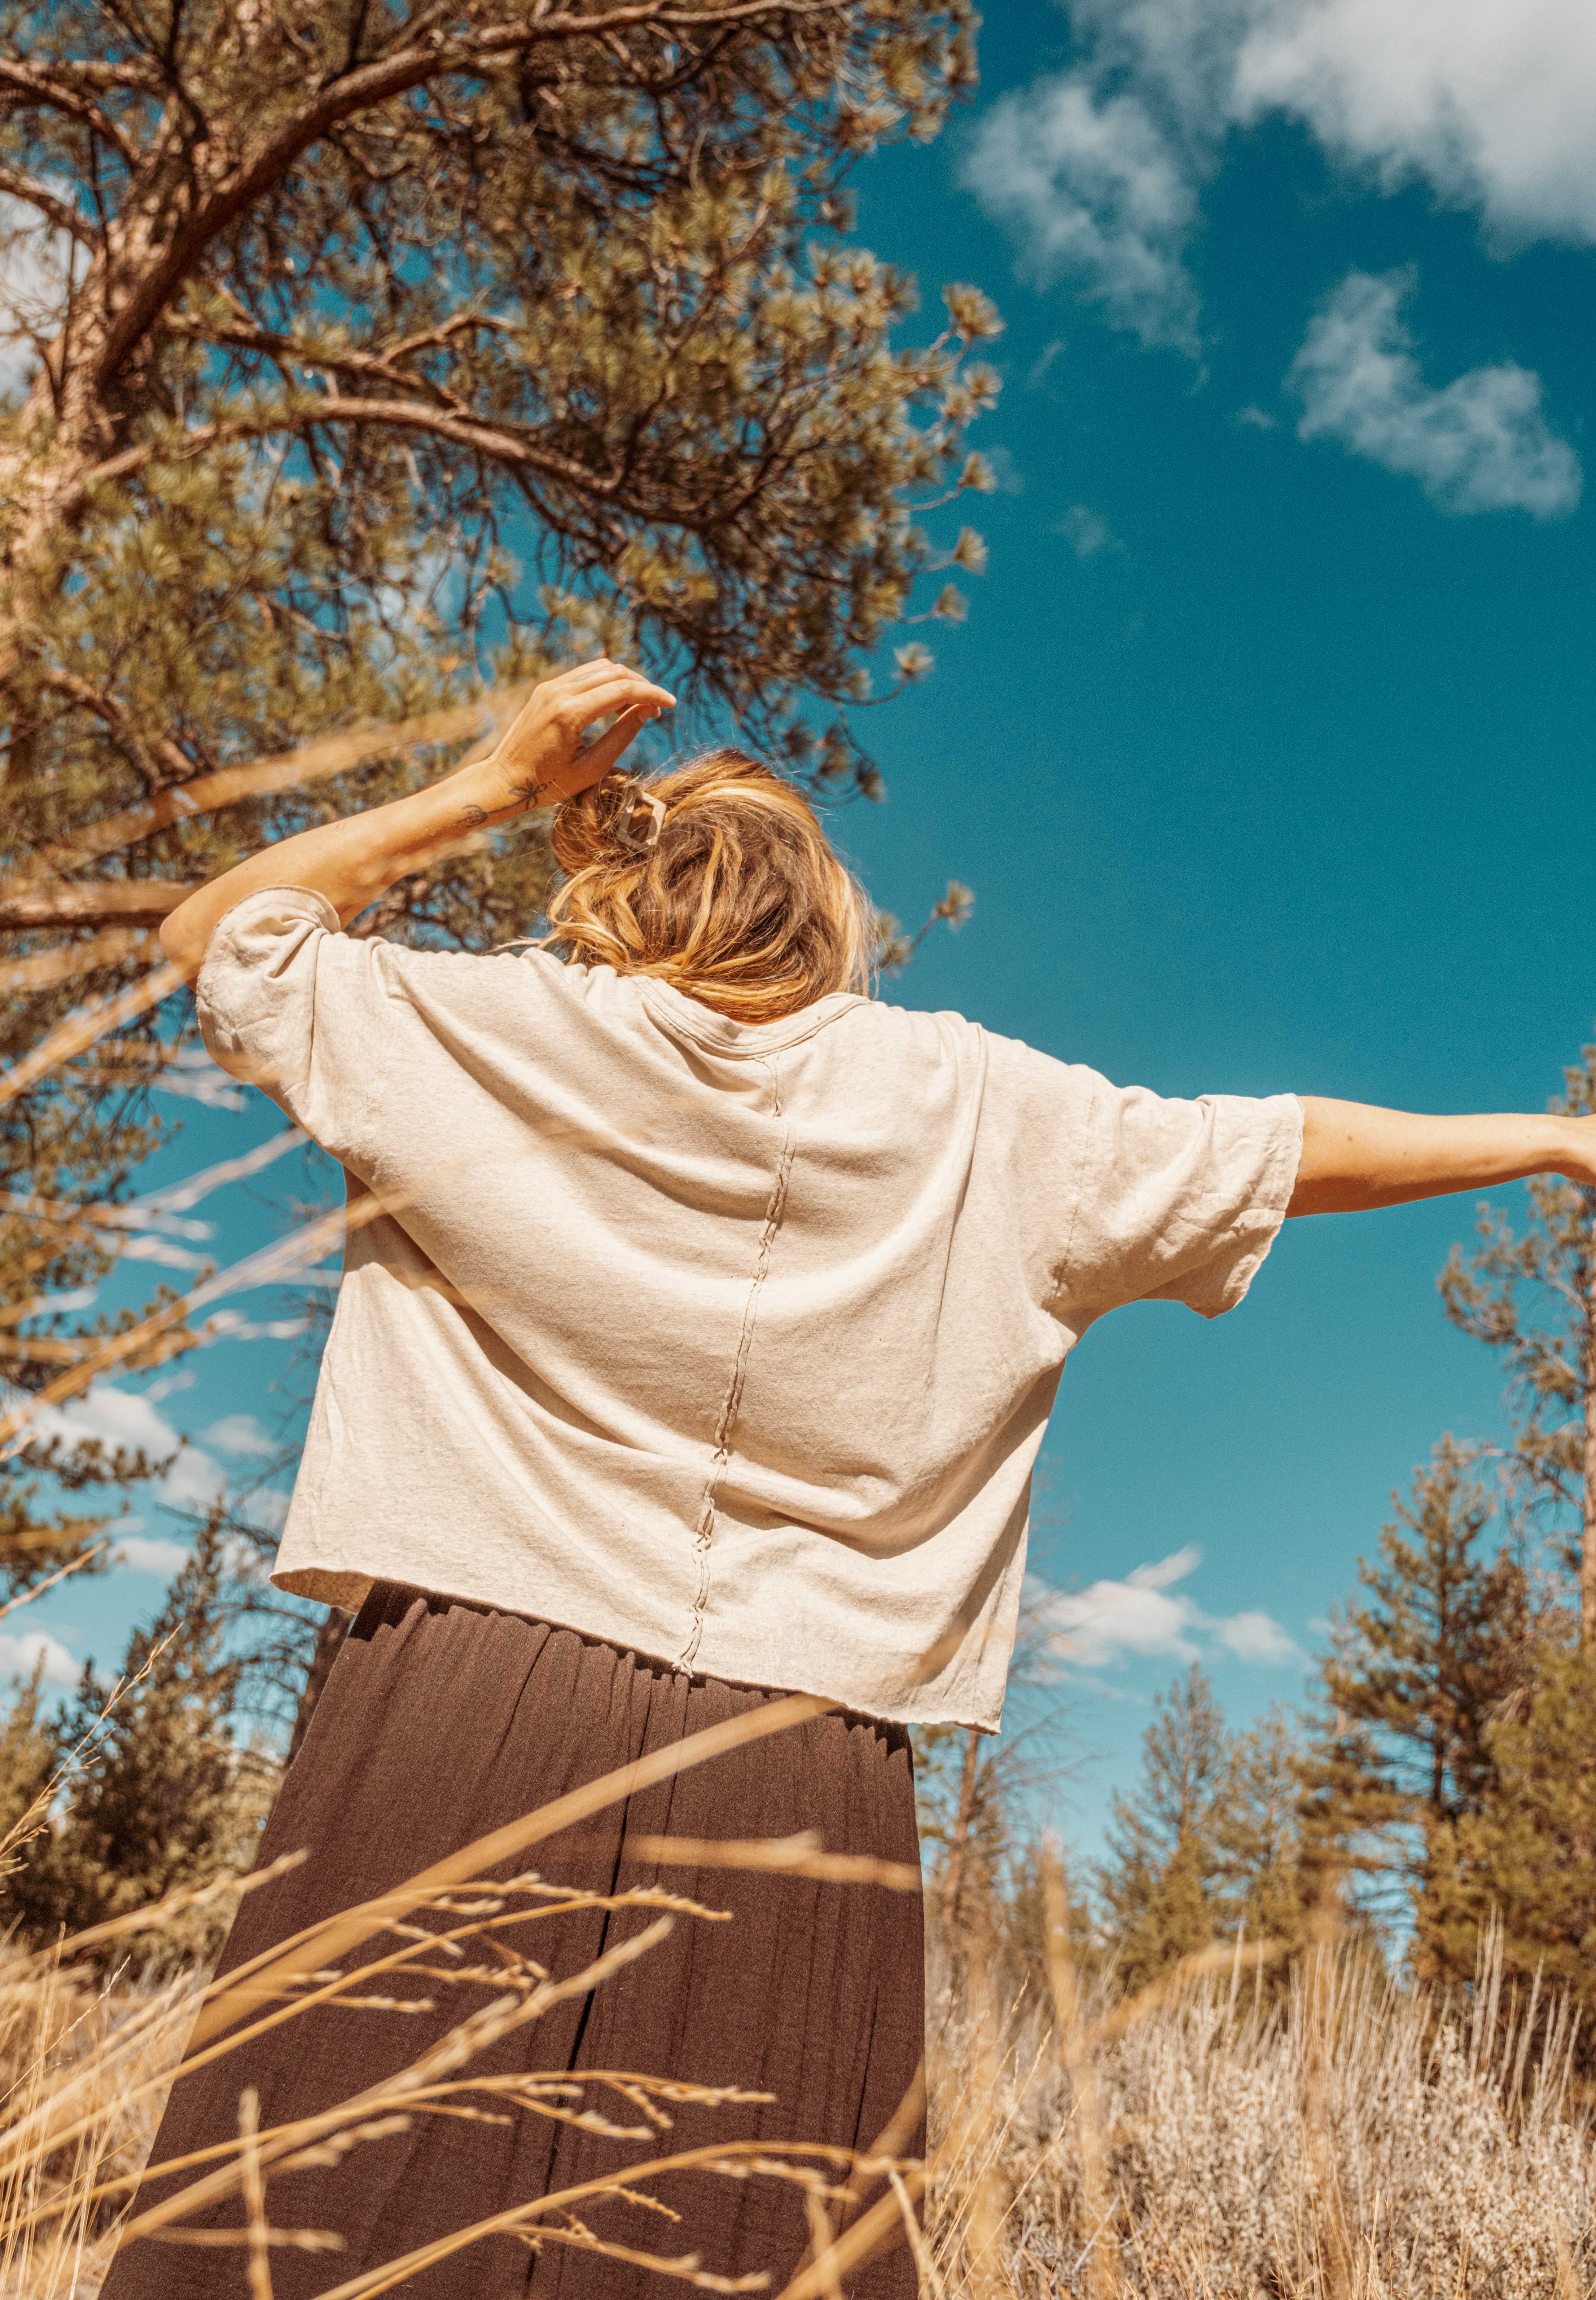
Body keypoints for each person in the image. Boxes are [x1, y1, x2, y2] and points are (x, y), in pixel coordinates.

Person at [100, 659, 1596, 2300]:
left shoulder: (488, 1031)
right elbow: (1285, 1150)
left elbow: (223, 941)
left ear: (619, 881)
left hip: (456, 1709)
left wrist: (490, 787)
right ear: (834, 922)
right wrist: (1548, 1139)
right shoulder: (980, 1106)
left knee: (312, 2240)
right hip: (794, 1777)